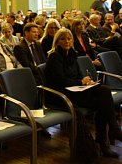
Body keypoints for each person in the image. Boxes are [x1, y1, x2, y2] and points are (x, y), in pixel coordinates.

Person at [44, 28, 122, 158]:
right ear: (57, 42)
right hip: (61, 95)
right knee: (103, 101)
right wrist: (80, 81)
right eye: (63, 39)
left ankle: (106, 138)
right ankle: (107, 137)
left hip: (76, 90)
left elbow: (79, 74)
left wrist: (86, 81)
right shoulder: (55, 56)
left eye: (69, 38)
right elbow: (60, 80)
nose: (67, 41)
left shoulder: (72, 54)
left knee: (104, 91)